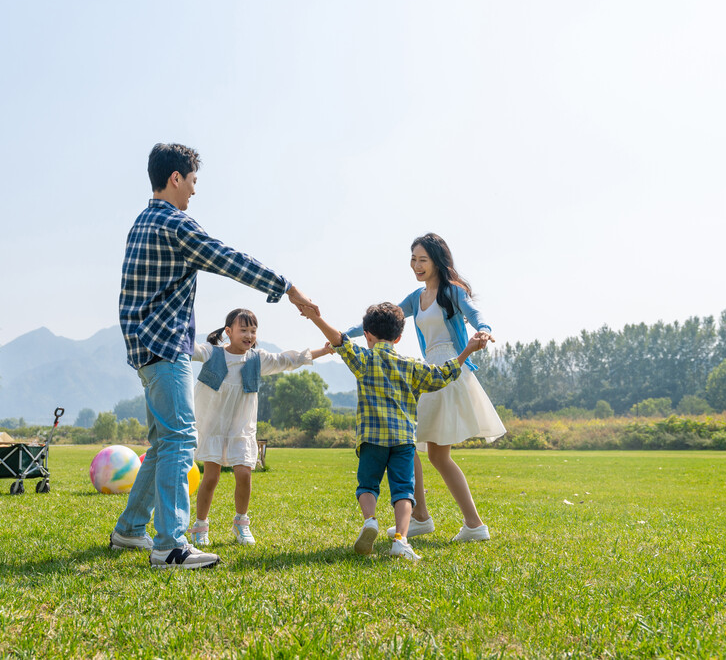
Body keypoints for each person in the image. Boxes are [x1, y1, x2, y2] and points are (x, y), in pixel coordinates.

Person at [111, 143, 319, 570]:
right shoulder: (175, 223)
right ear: (175, 178)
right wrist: (289, 289)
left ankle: (130, 528)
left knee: (161, 441)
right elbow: (228, 259)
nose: (193, 190)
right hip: (165, 347)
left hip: (144, 348)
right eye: (192, 181)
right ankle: (171, 545)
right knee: (180, 441)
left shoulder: (141, 221)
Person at [346, 233, 505, 543]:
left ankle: (437, 519)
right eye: (413, 259)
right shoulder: (416, 298)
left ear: (437, 261)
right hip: (431, 369)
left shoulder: (452, 292)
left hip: (448, 371)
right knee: (429, 452)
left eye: (422, 259)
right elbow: (378, 320)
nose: (416, 265)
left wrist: (484, 330)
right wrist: (345, 334)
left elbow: (475, 315)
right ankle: (453, 522)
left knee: (412, 443)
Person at [301, 301, 487, 561]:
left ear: (367, 335)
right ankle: (401, 539)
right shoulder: (411, 366)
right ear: (399, 337)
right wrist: (467, 350)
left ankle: (370, 521)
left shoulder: (364, 360)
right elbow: (443, 374)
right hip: (403, 442)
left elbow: (340, 340)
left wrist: (315, 318)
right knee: (403, 491)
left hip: (371, 440)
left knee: (367, 485)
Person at [189, 308, 333, 547]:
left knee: (244, 474)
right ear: (228, 331)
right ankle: (200, 526)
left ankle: (241, 523)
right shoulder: (211, 353)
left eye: (253, 331)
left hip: (241, 429)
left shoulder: (257, 358)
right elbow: (187, 347)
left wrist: (324, 350)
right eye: (243, 330)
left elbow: (289, 360)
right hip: (214, 428)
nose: (249, 335)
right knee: (211, 478)